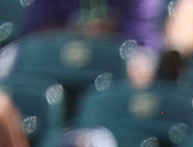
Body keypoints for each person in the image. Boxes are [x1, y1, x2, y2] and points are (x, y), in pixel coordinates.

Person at [21, 0, 166, 85]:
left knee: (138, 69)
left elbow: (139, 42)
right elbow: (35, 35)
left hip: (115, 72)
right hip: (60, 71)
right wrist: (86, 32)